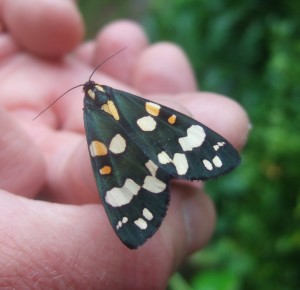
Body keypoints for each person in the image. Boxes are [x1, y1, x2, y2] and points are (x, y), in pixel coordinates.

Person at [0, 1, 249, 289]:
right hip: (135, 125)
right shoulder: (114, 102)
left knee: (114, 154)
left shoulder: (92, 116)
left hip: (115, 145)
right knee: (160, 118)